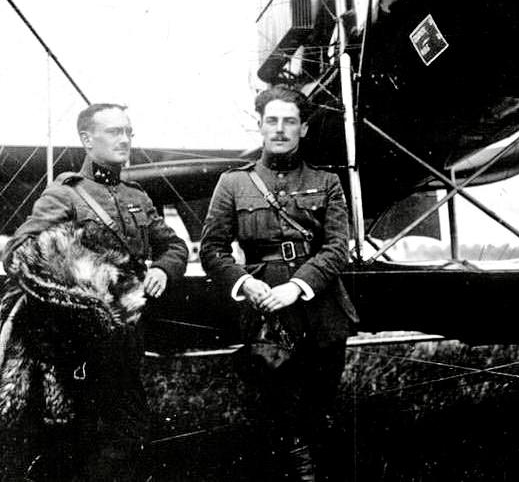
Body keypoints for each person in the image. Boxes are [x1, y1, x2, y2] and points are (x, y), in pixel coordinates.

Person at [1, 102, 189, 481]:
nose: (125, 139)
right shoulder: (66, 195)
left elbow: (175, 246)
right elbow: (19, 251)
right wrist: (85, 283)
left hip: (128, 334)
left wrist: (164, 272)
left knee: (130, 432)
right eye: (114, 132)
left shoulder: (138, 196)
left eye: (128, 132)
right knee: (86, 435)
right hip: (78, 340)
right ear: (87, 139)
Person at [200, 85, 358, 482]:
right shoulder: (234, 183)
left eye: (290, 121)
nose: (280, 129)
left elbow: (338, 247)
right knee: (276, 413)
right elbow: (212, 250)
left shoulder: (327, 182)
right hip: (265, 310)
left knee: (319, 407)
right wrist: (244, 284)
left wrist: (298, 285)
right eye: (272, 121)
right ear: (260, 126)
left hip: (320, 310)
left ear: (303, 128)